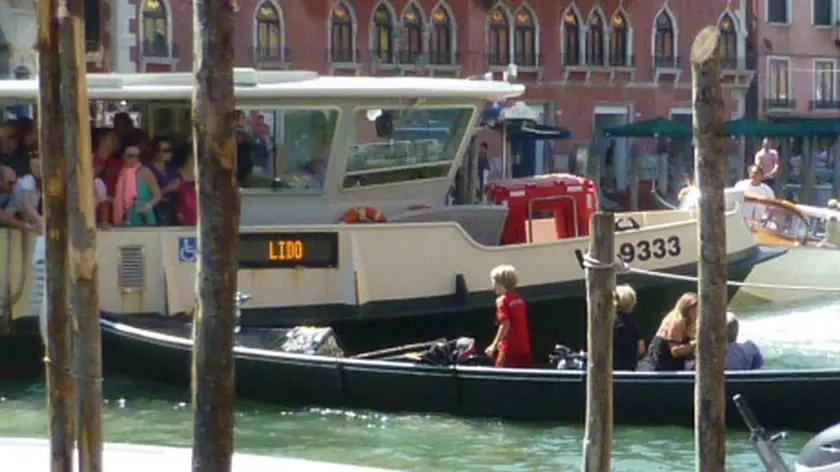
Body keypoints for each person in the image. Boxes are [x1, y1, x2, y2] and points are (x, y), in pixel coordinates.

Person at [484, 265, 533, 368]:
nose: (492, 285)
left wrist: (494, 345)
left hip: (508, 348)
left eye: (493, 282)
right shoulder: (518, 299)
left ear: (501, 283)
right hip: (524, 346)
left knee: (501, 375)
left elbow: (505, 324)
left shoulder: (501, 301)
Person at [636, 292, 698, 372]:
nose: (697, 313)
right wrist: (695, 344)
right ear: (687, 308)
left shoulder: (691, 323)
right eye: (694, 310)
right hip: (659, 366)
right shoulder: (676, 320)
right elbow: (675, 351)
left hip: (674, 367)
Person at [113, 145, 161, 226]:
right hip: (129, 216)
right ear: (124, 157)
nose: (134, 159)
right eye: (130, 156)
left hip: (144, 216)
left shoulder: (145, 171)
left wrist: (148, 206)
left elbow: (158, 195)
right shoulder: (122, 173)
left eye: (137, 156)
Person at [613, 284, 645, 371]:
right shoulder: (633, 322)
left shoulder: (607, 321)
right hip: (628, 369)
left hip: (608, 369)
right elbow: (641, 349)